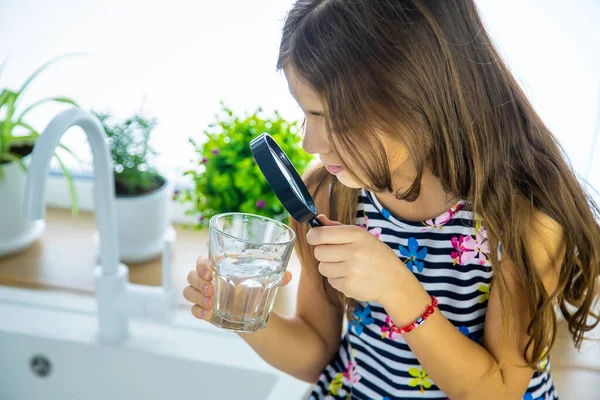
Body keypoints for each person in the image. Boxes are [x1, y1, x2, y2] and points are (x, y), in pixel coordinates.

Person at [183, 1, 600, 399]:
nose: (309, 142)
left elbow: (496, 391)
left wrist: (397, 287)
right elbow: (316, 355)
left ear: (414, 98)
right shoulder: (332, 195)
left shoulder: (524, 221)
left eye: (328, 117)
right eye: (305, 113)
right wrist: (239, 311)